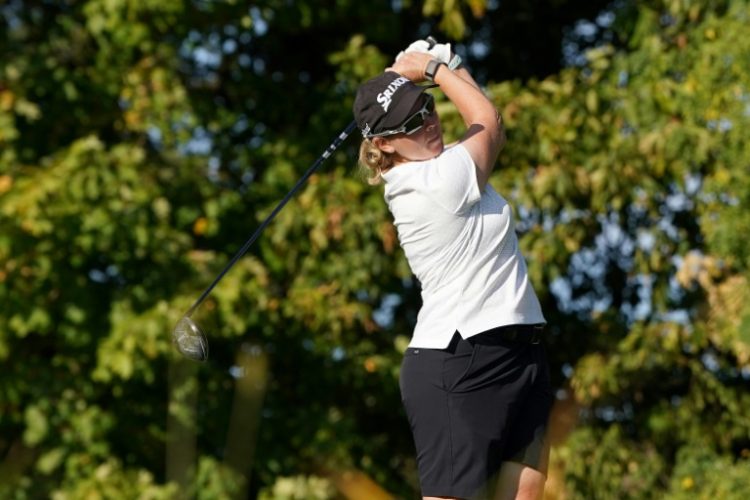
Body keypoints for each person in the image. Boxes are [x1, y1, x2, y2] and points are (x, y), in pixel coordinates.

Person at [352, 41, 554, 500]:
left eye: (426, 108)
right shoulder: (432, 185)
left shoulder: (448, 167)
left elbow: (478, 116)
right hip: (461, 362)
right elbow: (490, 123)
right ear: (384, 144)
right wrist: (433, 67)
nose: (428, 123)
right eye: (411, 123)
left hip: (522, 352)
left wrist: (450, 68)